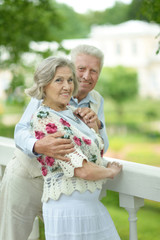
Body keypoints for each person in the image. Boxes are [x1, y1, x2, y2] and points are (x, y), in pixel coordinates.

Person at [0, 45, 110, 240]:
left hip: (63, 190)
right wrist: (38, 145)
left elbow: (102, 146)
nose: (86, 76)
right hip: (27, 179)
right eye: (81, 69)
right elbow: (21, 130)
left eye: (94, 70)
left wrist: (97, 125)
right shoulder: (47, 92)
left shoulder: (96, 100)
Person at [27, 56, 122, 240]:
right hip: (68, 210)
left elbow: (94, 151)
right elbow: (82, 169)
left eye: (70, 80)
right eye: (59, 80)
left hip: (90, 206)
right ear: (44, 84)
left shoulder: (73, 112)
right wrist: (109, 172)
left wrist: (94, 126)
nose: (67, 86)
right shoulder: (44, 119)